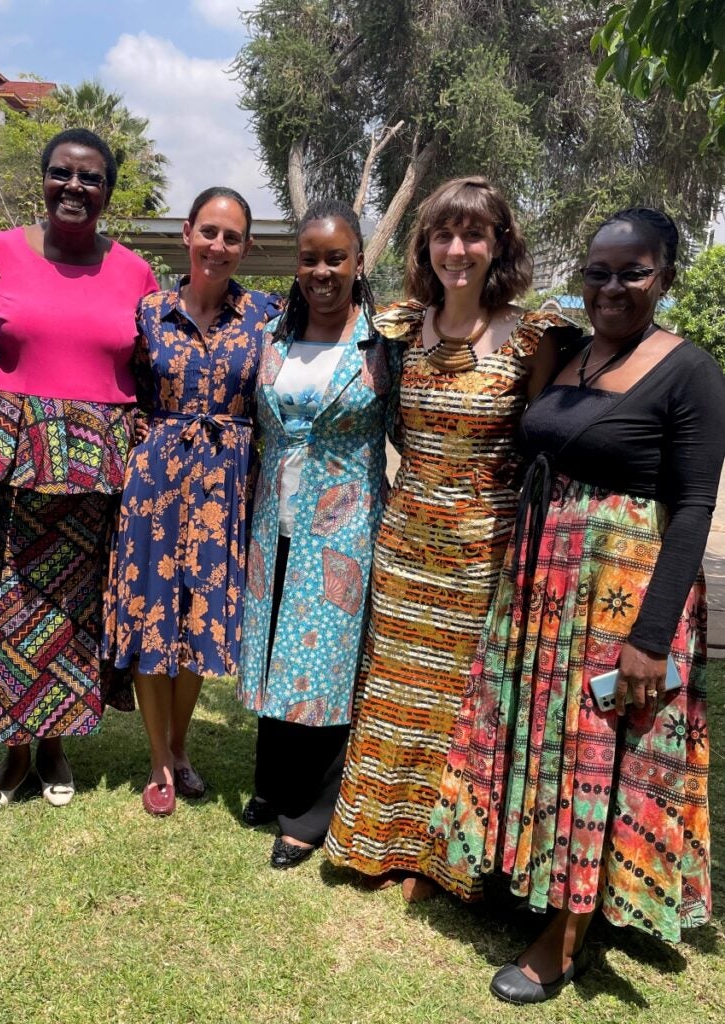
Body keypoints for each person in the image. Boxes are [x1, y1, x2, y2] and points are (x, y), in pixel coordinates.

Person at [427, 207, 725, 1003]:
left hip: (617, 602)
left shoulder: (687, 368)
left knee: (593, 760)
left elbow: (694, 506)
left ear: (666, 275)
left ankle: (564, 943)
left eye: (634, 271)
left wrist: (651, 639)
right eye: (598, 271)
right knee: (537, 740)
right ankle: (517, 875)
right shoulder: (571, 353)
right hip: (542, 586)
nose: (613, 286)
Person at [325, 177, 577, 895]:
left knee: (460, 702)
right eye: (444, 234)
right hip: (406, 543)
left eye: (474, 235)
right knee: (398, 693)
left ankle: (443, 856)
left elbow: (542, 446)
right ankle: (379, 839)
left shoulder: (533, 338)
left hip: (484, 550)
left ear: (499, 245)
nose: (457, 250)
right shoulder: (401, 327)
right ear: (426, 243)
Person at [0, 128, 157, 814]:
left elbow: (145, 370)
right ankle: (14, 750)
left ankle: (56, 744)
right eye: (62, 174)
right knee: (14, 601)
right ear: (44, 178)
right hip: (16, 455)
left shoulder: (135, 272)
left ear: (108, 191)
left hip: (99, 458)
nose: (75, 188)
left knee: (76, 609)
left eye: (91, 178)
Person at [104, 186, 280, 816]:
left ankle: (181, 746)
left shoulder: (265, 314)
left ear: (246, 246)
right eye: (209, 231)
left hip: (226, 484)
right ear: (187, 232)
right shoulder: (147, 311)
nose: (219, 246)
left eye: (232, 237)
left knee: (200, 616)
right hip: (155, 481)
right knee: (154, 610)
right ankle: (158, 758)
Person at [237, 198, 398, 868]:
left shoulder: (383, 345)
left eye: (336, 257)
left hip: (344, 526)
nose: (322, 270)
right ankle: (274, 785)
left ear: (359, 261)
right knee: (275, 645)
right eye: (311, 258)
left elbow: (408, 432)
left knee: (326, 661)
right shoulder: (274, 335)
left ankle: (315, 807)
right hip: (273, 520)